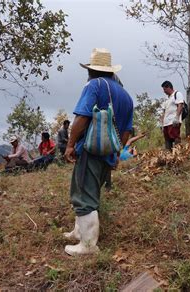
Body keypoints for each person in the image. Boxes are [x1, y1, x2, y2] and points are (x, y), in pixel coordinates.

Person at [62, 48, 133, 256]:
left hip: (90, 151)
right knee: (91, 191)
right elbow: (127, 130)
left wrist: (70, 144)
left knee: (84, 194)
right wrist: (117, 153)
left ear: (92, 70)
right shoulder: (126, 96)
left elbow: (82, 117)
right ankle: (79, 231)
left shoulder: (94, 85)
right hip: (108, 152)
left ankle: (88, 246)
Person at [161, 80, 184, 150]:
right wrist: (162, 123)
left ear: (169, 87)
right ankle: (169, 155)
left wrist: (177, 117)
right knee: (167, 139)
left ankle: (178, 153)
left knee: (175, 136)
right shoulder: (167, 99)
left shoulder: (177, 94)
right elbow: (164, 112)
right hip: (166, 123)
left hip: (173, 121)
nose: (164, 91)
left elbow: (180, 105)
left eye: (164, 89)